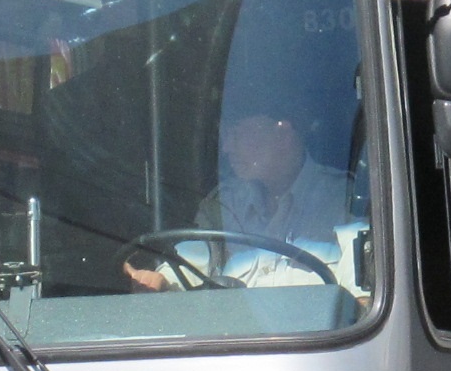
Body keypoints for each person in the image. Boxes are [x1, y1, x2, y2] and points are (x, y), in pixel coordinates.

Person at [124, 104, 358, 291]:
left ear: (282, 135)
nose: (226, 148)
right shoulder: (224, 205)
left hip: (316, 349)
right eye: (226, 135)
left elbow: (361, 305)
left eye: (238, 133)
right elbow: (192, 260)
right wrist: (160, 281)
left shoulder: (346, 201)